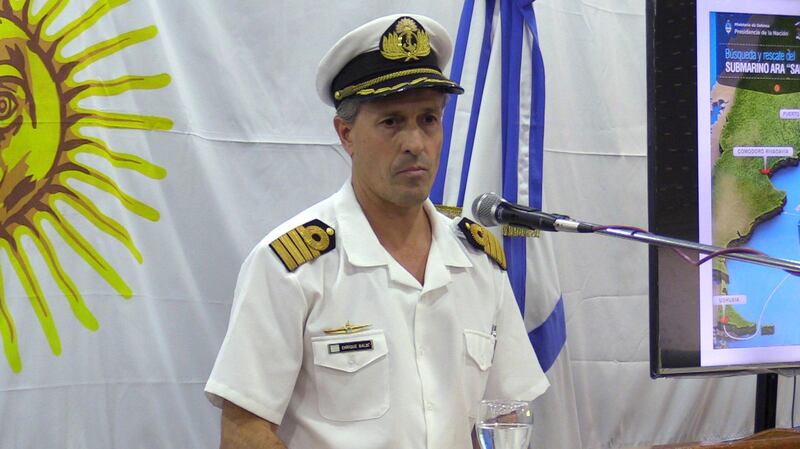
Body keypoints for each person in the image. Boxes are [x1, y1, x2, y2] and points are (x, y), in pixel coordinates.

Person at [205, 13, 549, 449]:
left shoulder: (478, 260)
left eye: (428, 119)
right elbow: (245, 431)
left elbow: (508, 409)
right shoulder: (291, 266)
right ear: (346, 134)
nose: (415, 143)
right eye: (391, 122)